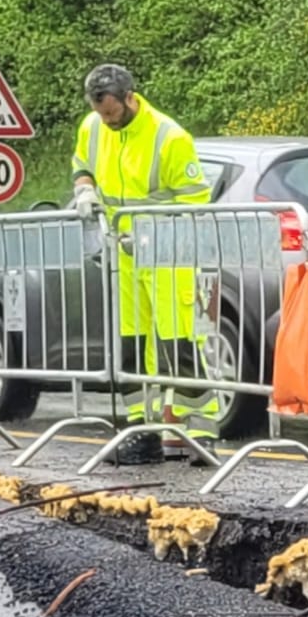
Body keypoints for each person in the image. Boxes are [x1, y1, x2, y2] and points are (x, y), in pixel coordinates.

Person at [72, 63, 217, 464]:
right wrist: (84, 190)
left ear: (130, 98)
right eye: (101, 114)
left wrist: (152, 232)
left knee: (177, 344)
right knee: (132, 344)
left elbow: (194, 202)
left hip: (169, 253)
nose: (108, 122)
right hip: (123, 252)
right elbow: (82, 164)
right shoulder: (93, 126)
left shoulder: (169, 137)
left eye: (113, 114)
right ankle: (143, 430)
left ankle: (201, 431)